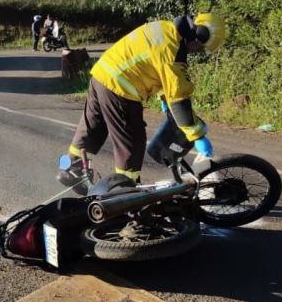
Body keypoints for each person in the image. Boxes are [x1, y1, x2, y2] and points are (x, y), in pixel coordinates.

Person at [59, 13, 225, 187]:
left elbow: (152, 65)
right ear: (200, 35)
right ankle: (125, 189)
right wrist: (197, 136)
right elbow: (179, 100)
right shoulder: (173, 50)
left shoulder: (165, 28)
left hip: (102, 74)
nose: (195, 51)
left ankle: (72, 169)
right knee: (132, 141)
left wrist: (163, 97)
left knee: (93, 126)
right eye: (199, 48)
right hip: (121, 87)